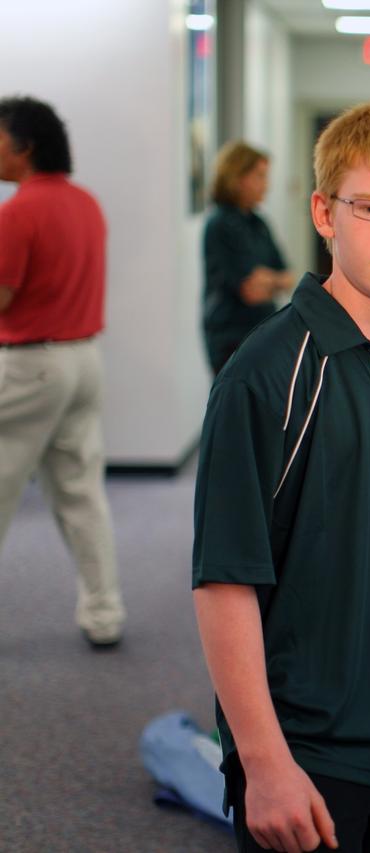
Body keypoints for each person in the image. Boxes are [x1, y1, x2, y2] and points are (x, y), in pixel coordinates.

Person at [192, 100, 370, 853]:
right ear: (325, 212)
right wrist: (263, 761)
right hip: (303, 752)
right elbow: (224, 582)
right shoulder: (263, 374)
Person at [0, 95, 126, 649]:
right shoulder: (86, 203)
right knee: (81, 494)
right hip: (83, 362)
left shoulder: (18, 211)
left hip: (32, 367)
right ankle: (105, 615)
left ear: (23, 147)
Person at [203, 140, 291, 374]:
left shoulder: (258, 223)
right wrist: (275, 282)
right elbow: (251, 291)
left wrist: (269, 280)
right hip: (230, 336)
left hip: (263, 329)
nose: (266, 185)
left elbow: (289, 277)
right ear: (238, 177)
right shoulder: (221, 223)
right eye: (260, 176)